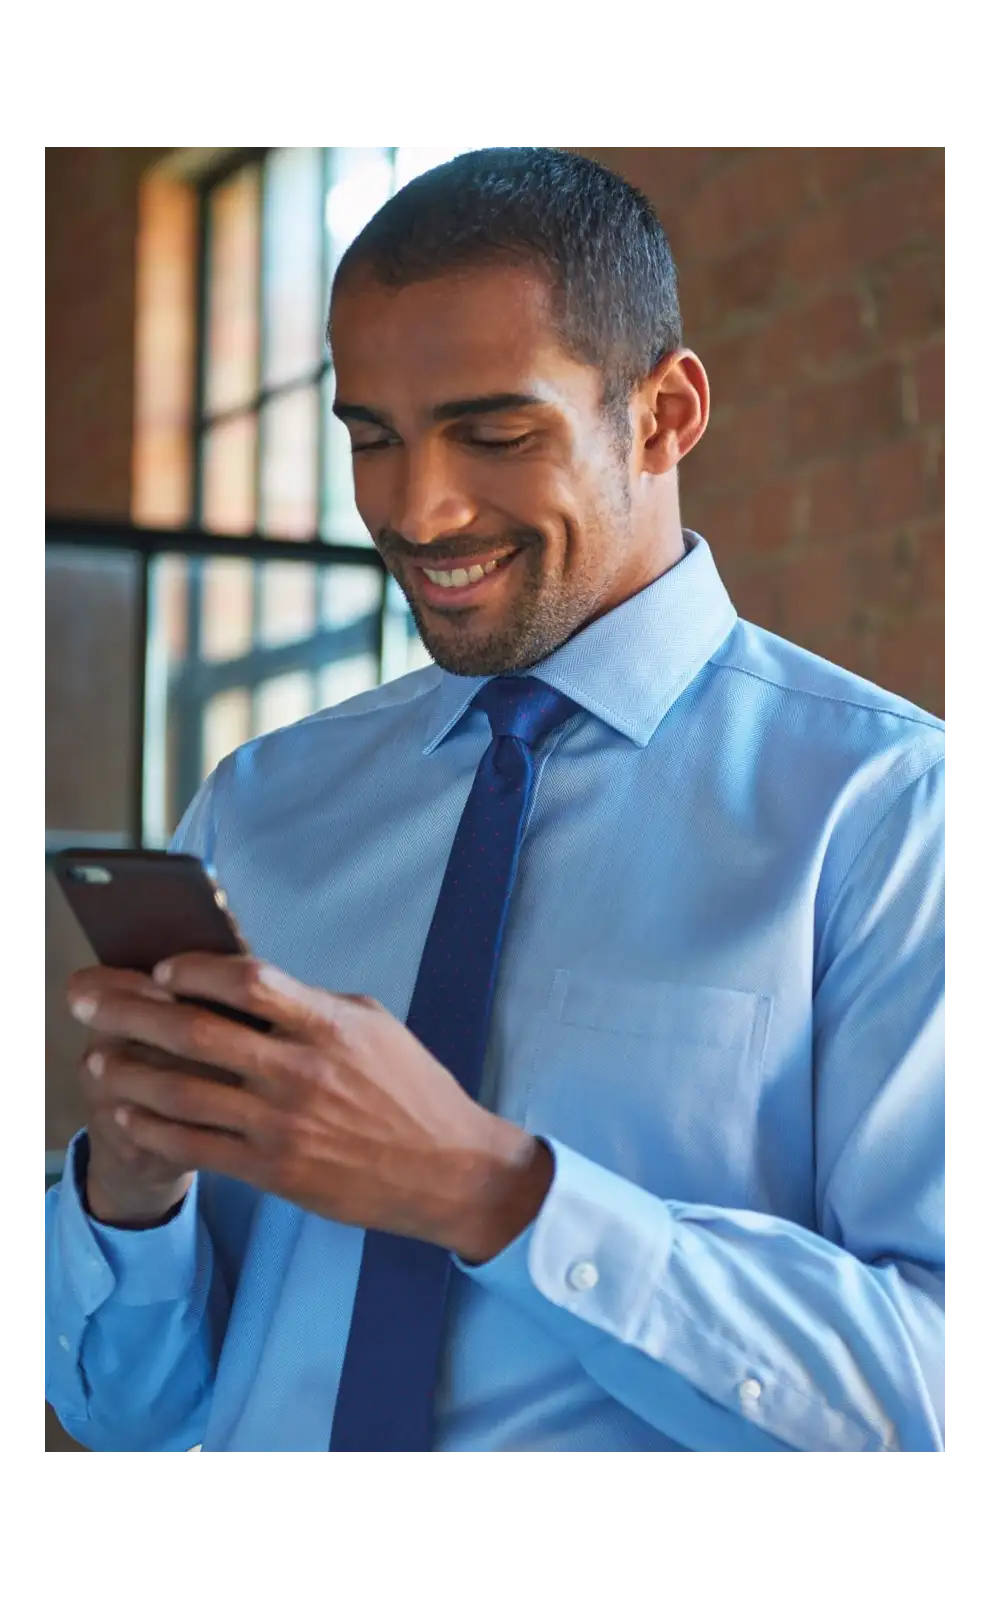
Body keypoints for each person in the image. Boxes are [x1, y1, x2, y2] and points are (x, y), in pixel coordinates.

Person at [43, 145, 947, 1455]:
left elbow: (933, 1402)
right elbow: (126, 1411)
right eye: (372, 438)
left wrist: (488, 1192)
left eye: (494, 432)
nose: (417, 508)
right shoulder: (261, 805)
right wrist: (130, 1190)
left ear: (663, 414)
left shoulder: (889, 813)